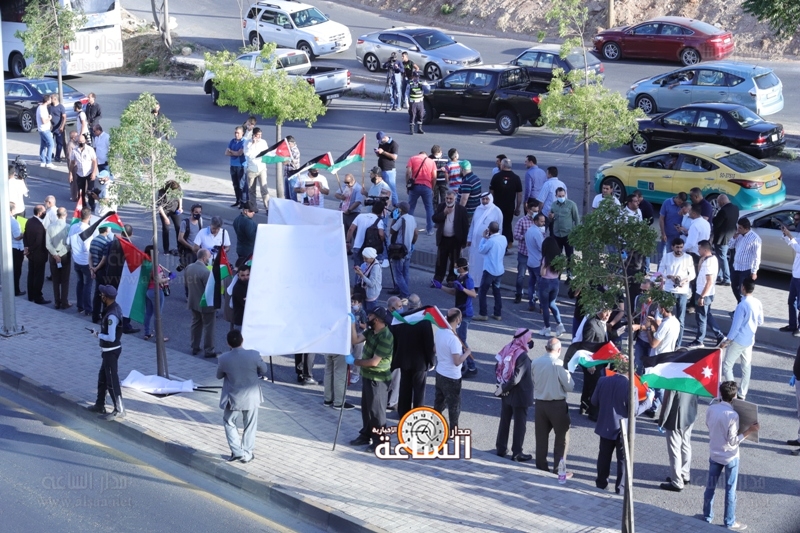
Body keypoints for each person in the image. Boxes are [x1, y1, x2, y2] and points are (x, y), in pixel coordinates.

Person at [592, 356, 655, 494]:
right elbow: (634, 411)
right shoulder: (631, 387)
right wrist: (649, 401)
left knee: (603, 457)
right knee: (623, 460)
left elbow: (594, 401)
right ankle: (620, 489)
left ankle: (601, 484)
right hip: (623, 430)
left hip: (605, 426)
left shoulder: (602, 380)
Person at [702, 381, 759, 531]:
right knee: (730, 490)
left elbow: (708, 425)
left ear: (721, 393)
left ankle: (707, 516)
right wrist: (749, 431)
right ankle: (729, 521)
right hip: (730, 457)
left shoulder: (711, 408)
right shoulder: (733, 415)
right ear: (734, 397)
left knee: (710, 487)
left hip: (714, 453)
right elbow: (733, 441)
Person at [216, 330, 269, 464]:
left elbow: (219, 376)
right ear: (242, 340)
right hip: (251, 397)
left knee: (229, 421)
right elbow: (264, 369)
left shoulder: (223, 358)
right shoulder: (254, 354)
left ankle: (237, 451)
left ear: (228, 343)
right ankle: (247, 453)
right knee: (250, 424)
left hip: (233, 398)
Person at [348, 306, 394, 451]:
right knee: (367, 409)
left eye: (370, 316)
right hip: (368, 376)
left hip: (378, 379)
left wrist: (354, 362)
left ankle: (380, 441)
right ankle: (366, 434)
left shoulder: (386, 337)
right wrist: (352, 324)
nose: (368, 318)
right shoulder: (371, 331)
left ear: (378, 320)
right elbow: (355, 340)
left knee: (377, 412)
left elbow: (374, 362)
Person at [532, 337, 573, 474]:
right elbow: (570, 386)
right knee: (562, 438)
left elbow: (533, 380)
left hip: (540, 404)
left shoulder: (535, 362)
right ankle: (559, 469)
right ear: (559, 349)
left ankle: (541, 466)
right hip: (557, 405)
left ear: (546, 348)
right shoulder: (559, 364)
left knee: (541, 437)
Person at [391, 295, 436, 418]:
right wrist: (432, 361)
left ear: (409, 305)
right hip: (420, 362)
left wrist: (395, 358)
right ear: (420, 305)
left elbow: (395, 341)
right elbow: (429, 343)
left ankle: (403, 412)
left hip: (404, 359)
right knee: (419, 391)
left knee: (404, 388)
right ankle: (417, 414)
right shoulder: (424, 321)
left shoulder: (401, 319)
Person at [86, 285, 126, 420]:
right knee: (102, 378)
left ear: (106, 297)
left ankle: (119, 409)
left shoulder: (111, 315)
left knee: (112, 381)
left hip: (111, 351)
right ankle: (100, 405)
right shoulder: (114, 308)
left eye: (102, 294)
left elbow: (111, 337)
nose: (101, 295)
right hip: (108, 351)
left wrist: (98, 335)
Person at [494, 328, 535, 462]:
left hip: (506, 393)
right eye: (529, 338)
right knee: (520, 424)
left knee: (504, 420)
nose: (530, 340)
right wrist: (504, 388)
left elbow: (498, 366)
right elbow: (516, 378)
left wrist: (502, 387)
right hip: (520, 395)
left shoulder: (508, 348)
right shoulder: (522, 356)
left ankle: (501, 448)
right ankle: (517, 452)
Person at [720, 279, 762, 401]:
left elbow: (735, 327)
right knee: (746, 367)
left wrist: (726, 341)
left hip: (738, 340)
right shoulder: (757, 302)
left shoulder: (741, 305)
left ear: (743, 287)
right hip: (749, 340)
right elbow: (760, 321)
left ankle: (732, 393)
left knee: (727, 366)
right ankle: (742, 394)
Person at [437, 257, 478, 376]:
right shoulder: (460, 278)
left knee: (461, 340)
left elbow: (473, 294)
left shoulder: (468, 279)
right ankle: (463, 364)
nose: (454, 268)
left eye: (456, 267)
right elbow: (454, 292)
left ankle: (472, 367)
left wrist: (463, 289)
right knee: (458, 337)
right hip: (459, 312)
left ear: (461, 268)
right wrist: (441, 287)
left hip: (465, 313)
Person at [433, 308, 471, 430]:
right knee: (454, 407)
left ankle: (434, 426)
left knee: (439, 403)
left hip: (440, 373)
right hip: (452, 377)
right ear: (458, 319)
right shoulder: (454, 339)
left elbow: (434, 349)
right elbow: (457, 361)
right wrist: (467, 353)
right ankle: (453, 431)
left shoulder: (440, 331)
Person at [687, 240, 726, 348]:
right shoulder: (711, 259)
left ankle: (699, 341)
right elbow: (700, 273)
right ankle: (720, 336)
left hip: (703, 294)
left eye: (699, 249)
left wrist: (702, 297)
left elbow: (709, 281)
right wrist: (700, 261)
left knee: (701, 318)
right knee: (707, 315)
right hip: (707, 293)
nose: (698, 250)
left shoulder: (708, 263)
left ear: (705, 250)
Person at [644, 304, 680, 418]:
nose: (658, 310)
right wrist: (654, 323)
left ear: (663, 309)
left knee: (658, 387)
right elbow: (663, 334)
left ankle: (668, 413)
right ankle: (654, 408)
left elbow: (653, 344)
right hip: (667, 356)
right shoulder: (675, 322)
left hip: (658, 358)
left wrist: (648, 329)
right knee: (658, 386)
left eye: (659, 308)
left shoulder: (665, 324)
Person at [658, 390, 698, 492]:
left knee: (674, 451)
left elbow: (667, 403)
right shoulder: (695, 380)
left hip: (675, 419)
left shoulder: (673, 382)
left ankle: (677, 481)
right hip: (689, 416)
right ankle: (684, 474)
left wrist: (661, 421)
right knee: (686, 445)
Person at [658, 238, 695, 346]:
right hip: (668, 290)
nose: (679, 249)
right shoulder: (667, 257)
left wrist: (685, 280)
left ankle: (677, 344)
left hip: (682, 291)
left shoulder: (688, 258)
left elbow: (692, 274)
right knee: (664, 316)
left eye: (681, 247)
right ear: (672, 247)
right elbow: (660, 272)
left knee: (681, 319)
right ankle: (664, 341)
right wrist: (669, 276)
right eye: (677, 247)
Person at [579, 308, 612, 420]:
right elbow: (586, 345)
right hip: (593, 361)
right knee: (596, 386)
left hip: (599, 360)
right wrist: (590, 364)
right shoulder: (591, 324)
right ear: (599, 310)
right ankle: (594, 413)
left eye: (610, 312)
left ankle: (584, 405)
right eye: (606, 312)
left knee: (589, 383)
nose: (608, 315)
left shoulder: (602, 322)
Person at [186, 249, 218, 357]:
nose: (210, 259)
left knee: (196, 323)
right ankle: (209, 350)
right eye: (209, 257)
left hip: (193, 301)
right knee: (209, 327)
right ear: (204, 258)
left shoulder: (189, 267)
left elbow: (186, 284)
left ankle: (195, 346)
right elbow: (210, 290)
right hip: (206, 304)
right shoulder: (206, 272)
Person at [466, 192, 502, 287]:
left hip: (487, 243)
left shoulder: (496, 211)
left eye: (487, 199)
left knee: (483, 264)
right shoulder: (478, 209)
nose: (485, 201)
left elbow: (499, 229)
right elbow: (473, 225)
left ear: (491, 199)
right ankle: (473, 284)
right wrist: (469, 238)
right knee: (474, 263)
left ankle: (483, 285)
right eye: (483, 199)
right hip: (475, 243)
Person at [432, 190, 468, 284]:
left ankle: (451, 279)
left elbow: (465, 226)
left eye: (450, 198)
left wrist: (463, 243)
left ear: (455, 199)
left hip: (455, 240)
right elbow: (434, 218)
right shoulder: (441, 206)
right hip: (443, 239)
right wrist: (444, 213)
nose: (448, 200)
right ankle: (438, 279)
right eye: (447, 198)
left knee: (454, 261)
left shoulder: (461, 209)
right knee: (440, 261)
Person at [475, 221, 505, 321]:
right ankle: (497, 313)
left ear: (489, 230)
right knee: (497, 292)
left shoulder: (490, 241)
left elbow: (481, 250)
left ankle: (483, 313)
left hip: (489, 270)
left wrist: (484, 238)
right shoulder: (503, 238)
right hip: (499, 270)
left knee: (482, 292)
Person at [489, 158, 523, 248]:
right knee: (507, 225)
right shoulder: (516, 178)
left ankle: (496, 244)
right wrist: (518, 207)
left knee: (497, 225)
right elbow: (519, 194)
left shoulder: (496, 177)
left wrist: (490, 205)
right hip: (509, 207)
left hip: (497, 207)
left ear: (502, 166)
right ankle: (505, 245)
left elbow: (491, 192)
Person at [729, 218, 761, 305]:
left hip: (746, 268)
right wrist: (734, 238)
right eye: (737, 227)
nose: (738, 229)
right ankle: (740, 304)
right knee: (734, 287)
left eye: (740, 228)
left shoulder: (755, 239)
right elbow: (730, 246)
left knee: (743, 290)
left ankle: (743, 307)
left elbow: (757, 257)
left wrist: (754, 272)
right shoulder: (738, 235)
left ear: (746, 229)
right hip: (736, 266)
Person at [389, 202, 418, 298]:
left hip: (399, 250)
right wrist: (412, 243)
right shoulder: (412, 218)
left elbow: (392, 230)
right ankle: (400, 290)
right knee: (405, 272)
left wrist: (394, 218)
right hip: (408, 249)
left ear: (400, 210)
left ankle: (405, 293)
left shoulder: (401, 219)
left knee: (398, 273)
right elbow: (416, 233)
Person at [538, 236, 565, 337]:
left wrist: (543, 266)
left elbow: (542, 273)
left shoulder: (546, 258)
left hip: (545, 282)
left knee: (545, 305)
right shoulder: (559, 258)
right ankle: (560, 324)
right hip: (555, 282)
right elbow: (560, 271)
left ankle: (547, 328)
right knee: (552, 303)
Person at [513, 199, 538, 304]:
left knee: (535, 277)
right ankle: (518, 293)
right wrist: (526, 237)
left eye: (537, 211)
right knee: (521, 276)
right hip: (523, 253)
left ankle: (533, 296)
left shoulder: (539, 221)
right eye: (534, 211)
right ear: (528, 210)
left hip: (535, 255)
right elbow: (516, 235)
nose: (536, 213)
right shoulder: (522, 221)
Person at [69, 208, 93, 316]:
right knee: (88, 285)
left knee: (80, 283)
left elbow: (68, 241)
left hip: (76, 259)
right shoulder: (88, 230)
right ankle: (88, 309)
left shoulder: (73, 226)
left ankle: (80, 306)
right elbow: (87, 248)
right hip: (85, 261)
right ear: (89, 217)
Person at [23, 205, 50, 304]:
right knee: (38, 277)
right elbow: (38, 242)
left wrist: (27, 247)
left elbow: (25, 235)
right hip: (39, 255)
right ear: (39, 213)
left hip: (31, 255)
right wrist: (29, 249)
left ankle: (30, 295)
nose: (45, 213)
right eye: (44, 212)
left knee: (31, 274)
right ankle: (38, 297)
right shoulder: (39, 226)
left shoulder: (29, 221)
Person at [142, 245, 170, 342]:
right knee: (158, 315)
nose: (158, 252)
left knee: (148, 313)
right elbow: (158, 280)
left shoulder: (145, 264)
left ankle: (147, 333)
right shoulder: (155, 266)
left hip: (148, 290)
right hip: (156, 291)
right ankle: (159, 337)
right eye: (156, 251)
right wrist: (169, 278)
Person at [406, 150, 437, 235]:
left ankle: (408, 227)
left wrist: (407, 185)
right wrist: (432, 188)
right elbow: (434, 177)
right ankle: (430, 230)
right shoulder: (431, 162)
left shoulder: (412, 158)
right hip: (427, 187)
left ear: (419, 154)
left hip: (415, 186)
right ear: (426, 155)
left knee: (411, 207)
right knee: (429, 208)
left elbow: (408, 173)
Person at [46, 207, 71, 308]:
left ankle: (57, 302)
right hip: (64, 255)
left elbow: (48, 244)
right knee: (65, 280)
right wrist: (60, 254)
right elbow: (69, 244)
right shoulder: (68, 227)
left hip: (53, 256)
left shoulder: (50, 227)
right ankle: (64, 302)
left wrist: (55, 255)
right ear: (66, 215)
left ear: (57, 215)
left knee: (55, 280)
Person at [549, 187, 579, 268]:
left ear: (565, 194)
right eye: (559, 196)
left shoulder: (571, 204)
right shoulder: (553, 205)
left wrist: (576, 233)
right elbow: (551, 219)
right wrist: (551, 217)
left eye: (563, 195)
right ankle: (557, 272)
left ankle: (570, 273)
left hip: (568, 234)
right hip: (557, 234)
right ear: (556, 196)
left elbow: (576, 219)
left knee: (570, 256)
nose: (561, 197)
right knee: (557, 256)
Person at [712, 194, 739, 286]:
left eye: (718, 202)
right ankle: (720, 276)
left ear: (722, 202)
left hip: (721, 238)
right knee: (721, 257)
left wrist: (714, 217)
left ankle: (727, 278)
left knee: (722, 257)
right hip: (730, 236)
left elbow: (716, 223)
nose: (718, 204)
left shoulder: (723, 211)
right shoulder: (735, 208)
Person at [89, 226, 113, 323]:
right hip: (102, 270)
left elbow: (90, 256)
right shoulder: (106, 243)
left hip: (95, 269)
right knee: (105, 294)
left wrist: (92, 269)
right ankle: (104, 316)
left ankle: (95, 316)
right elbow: (103, 260)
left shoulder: (93, 240)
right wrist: (96, 268)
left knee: (97, 293)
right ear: (106, 230)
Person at [524, 212, 546, 312]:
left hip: (530, 261)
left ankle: (531, 304)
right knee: (541, 286)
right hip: (538, 262)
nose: (543, 223)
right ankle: (542, 306)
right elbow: (542, 248)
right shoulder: (537, 233)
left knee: (531, 284)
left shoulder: (529, 230)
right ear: (535, 221)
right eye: (541, 222)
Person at [69, 133, 98, 209]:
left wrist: (94, 172)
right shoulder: (74, 150)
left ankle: (92, 205)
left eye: (82, 141)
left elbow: (94, 161)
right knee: (80, 192)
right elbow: (72, 163)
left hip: (89, 172)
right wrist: (70, 173)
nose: (81, 143)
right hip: (80, 173)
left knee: (90, 191)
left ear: (85, 141)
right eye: (79, 142)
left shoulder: (90, 149)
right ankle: (83, 206)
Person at [781, 222, 800, 336]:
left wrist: (789, 235)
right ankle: (792, 325)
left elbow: (797, 247)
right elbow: (794, 242)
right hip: (795, 275)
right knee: (791, 301)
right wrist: (785, 235)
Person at [244, 127, 269, 212]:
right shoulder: (248, 143)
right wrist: (253, 144)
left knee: (264, 189)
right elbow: (247, 153)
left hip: (261, 168)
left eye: (260, 135)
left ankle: (267, 207)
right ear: (254, 135)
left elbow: (266, 152)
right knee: (251, 190)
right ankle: (254, 207)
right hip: (251, 169)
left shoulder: (263, 142)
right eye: (258, 135)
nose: (259, 137)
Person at [658, 192, 687, 266]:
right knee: (662, 256)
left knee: (674, 258)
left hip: (678, 236)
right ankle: (659, 272)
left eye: (681, 203)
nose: (680, 204)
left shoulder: (683, 206)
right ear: (677, 198)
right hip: (667, 234)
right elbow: (661, 218)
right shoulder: (667, 202)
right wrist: (663, 233)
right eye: (679, 202)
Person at [157, 180, 182, 255]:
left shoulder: (177, 187)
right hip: (164, 211)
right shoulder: (162, 192)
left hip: (175, 209)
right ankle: (166, 250)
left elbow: (180, 196)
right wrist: (165, 218)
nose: (175, 192)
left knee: (179, 228)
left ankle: (180, 248)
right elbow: (160, 207)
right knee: (166, 229)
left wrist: (180, 207)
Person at [355, 247, 382, 313]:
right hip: (365, 293)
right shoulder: (366, 264)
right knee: (365, 312)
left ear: (372, 258)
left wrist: (361, 275)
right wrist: (359, 270)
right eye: (363, 258)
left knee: (370, 313)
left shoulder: (376, 267)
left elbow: (371, 284)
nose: (364, 260)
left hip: (371, 295)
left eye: (366, 258)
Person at [376, 131, 399, 206]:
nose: (380, 142)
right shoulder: (381, 143)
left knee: (392, 190)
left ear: (384, 137)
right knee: (383, 189)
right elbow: (380, 155)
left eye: (381, 140)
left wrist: (383, 152)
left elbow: (394, 157)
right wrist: (378, 153)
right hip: (381, 169)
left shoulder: (394, 144)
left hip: (389, 170)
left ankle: (396, 208)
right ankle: (383, 206)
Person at [225, 126, 247, 207]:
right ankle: (237, 200)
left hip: (241, 166)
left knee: (241, 185)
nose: (236, 134)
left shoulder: (244, 141)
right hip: (233, 165)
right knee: (235, 184)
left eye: (238, 133)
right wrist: (234, 152)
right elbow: (226, 153)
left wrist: (231, 151)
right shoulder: (232, 141)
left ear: (242, 133)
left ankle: (242, 202)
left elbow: (240, 153)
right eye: (235, 133)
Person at [233, 200, 258, 266]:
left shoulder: (237, 219)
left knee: (241, 266)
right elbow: (253, 237)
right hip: (249, 251)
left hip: (240, 249)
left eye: (254, 211)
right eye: (251, 211)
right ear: (245, 211)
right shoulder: (249, 223)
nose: (253, 213)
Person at [457, 160, 482, 224]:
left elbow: (464, 199)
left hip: (468, 212)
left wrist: (459, 211)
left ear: (462, 169)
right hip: (475, 210)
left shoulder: (467, 181)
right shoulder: (476, 178)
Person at [9, 202, 25, 296]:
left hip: (8, 247)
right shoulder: (14, 222)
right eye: (14, 209)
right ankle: (16, 290)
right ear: (11, 211)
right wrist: (24, 234)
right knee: (16, 270)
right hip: (16, 248)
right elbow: (17, 237)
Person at [230, 263, 250, 330]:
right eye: (243, 275)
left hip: (245, 321)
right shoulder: (238, 288)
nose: (246, 277)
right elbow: (247, 304)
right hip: (240, 322)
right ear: (238, 275)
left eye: (247, 275)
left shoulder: (248, 285)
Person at [37, 96, 55, 168]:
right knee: (51, 144)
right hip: (44, 130)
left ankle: (43, 161)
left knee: (43, 145)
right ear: (47, 101)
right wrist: (50, 118)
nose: (51, 100)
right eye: (50, 99)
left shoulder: (42, 107)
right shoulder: (42, 109)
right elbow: (44, 121)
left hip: (43, 129)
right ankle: (48, 162)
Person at [49, 94, 67, 163]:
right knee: (49, 142)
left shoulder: (61, 107)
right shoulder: (50, 107)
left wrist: (62, 126)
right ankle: (50, 155)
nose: (50, 99)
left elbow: (64, 117)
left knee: (59, 143)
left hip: (59, 128)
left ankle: (57, 156)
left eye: (51, 98)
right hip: (51, 128)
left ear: (55, 99)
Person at [283, 135, 301, 201]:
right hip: (287, 174)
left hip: (293, 175)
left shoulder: (295, 151)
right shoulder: (288, 150)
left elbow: (288, 162)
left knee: (292, 194)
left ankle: (294, 206)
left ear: (290, 143)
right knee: (287, 194)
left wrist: (285, 160)